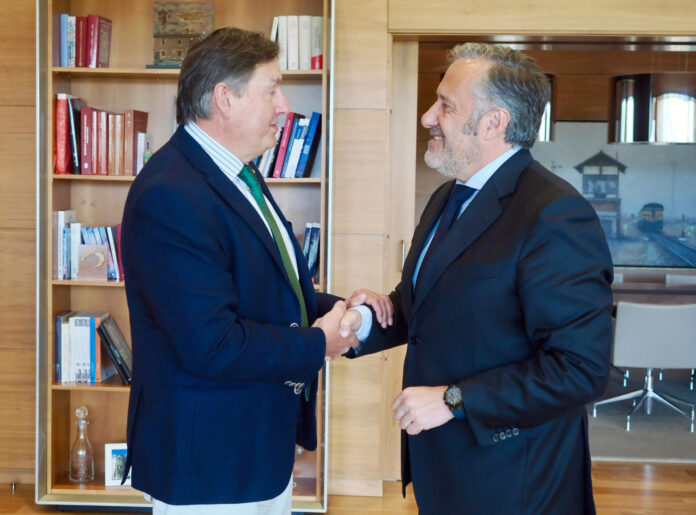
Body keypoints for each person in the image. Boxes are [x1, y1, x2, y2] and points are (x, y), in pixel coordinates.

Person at [342, 43, 614, 514]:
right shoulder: (446, 197)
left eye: (445, 105)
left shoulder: (555, 213)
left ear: (494, 123)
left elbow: (579, 368)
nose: (428, 117)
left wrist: (453, 400)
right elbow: (428, 305)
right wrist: (364, 321)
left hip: (515, 481)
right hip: (445, 469)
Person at [120, 27, 363, 514]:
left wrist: (342, 309)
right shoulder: (171, 194)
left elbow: (262, 290)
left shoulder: (239, 173)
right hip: (208, 463)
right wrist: (318, 343)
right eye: (272, 90)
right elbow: (212, 344)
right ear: (224, 99)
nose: (284, 106)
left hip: (253, 448)